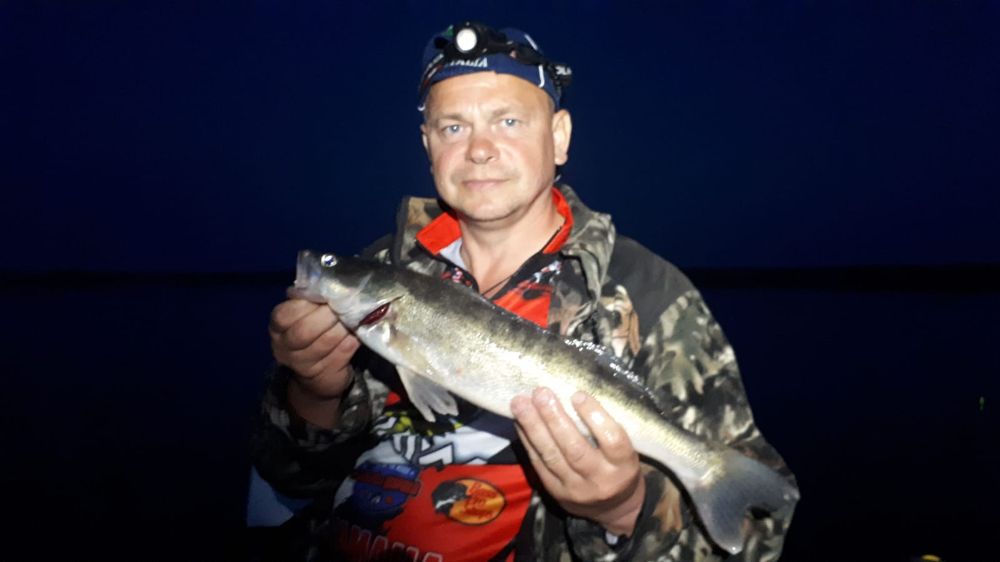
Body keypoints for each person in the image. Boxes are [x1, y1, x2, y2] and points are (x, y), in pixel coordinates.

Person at [252, 21, 798, 562]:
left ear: (559, 137)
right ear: (427, 144)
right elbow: (291, 479)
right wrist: (314, 392)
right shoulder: (386, 267)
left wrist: (623, 508)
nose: (479, 149)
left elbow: (759, 544)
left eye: (508, 121)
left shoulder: (650, 296)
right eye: (453, 127)